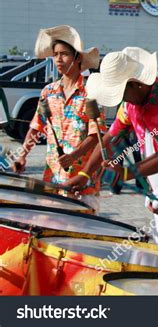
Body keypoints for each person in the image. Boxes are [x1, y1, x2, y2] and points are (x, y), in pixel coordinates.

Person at [64, 47, 158, 248]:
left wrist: (126, 173)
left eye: (122, 92)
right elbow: (109, 138)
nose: (122, 99)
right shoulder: (130, 105)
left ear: (137, 85)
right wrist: (86, 174)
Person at [13, 25, 105, 211]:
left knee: (81, 235)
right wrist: (22, 155)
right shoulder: (48, 92)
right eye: (55, 54)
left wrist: (74, 156)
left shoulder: (91, 92)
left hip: (82, 182)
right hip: (53, 180)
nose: (58, 59)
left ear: (78, 57)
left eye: (64, 54)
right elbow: (37, 126)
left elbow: (97, 134)